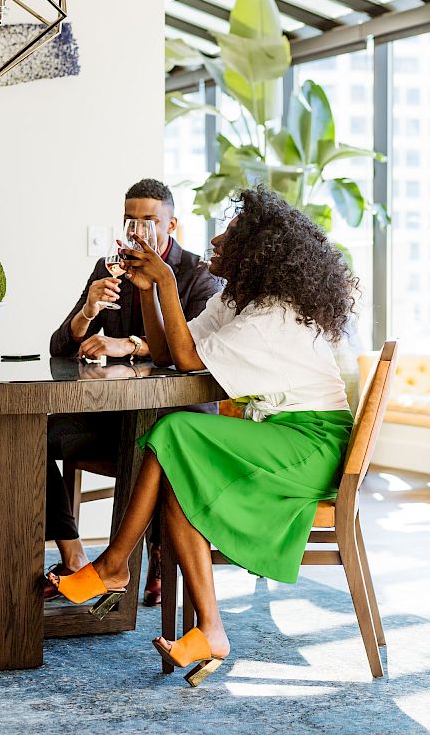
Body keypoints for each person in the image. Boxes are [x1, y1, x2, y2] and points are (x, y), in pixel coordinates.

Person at [48, 187, 357, 685]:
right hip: (281, 437)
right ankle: (209, 629)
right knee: (176, 468)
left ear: (258, 252)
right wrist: (149, 290)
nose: (215, 238)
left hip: (312, 446)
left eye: (229, 234)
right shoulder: (236, 301)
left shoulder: (271, 315)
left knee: (174, 428)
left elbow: (190, 362)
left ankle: (113, 566)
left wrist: (167, 281)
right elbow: (172, 350)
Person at [46, 179, 222, 604]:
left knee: (157, 445)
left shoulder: (200, 275)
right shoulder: (111, 268)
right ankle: (72, 555)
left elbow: (192, 356)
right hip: (119, 416)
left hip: (181, 418)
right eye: (131, 220)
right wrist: (88, 313)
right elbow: (58, 347)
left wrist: (131, 345)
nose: (137, 230)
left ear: (172, 224)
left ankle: (158, 557)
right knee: (32, 434)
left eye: (149, 220)